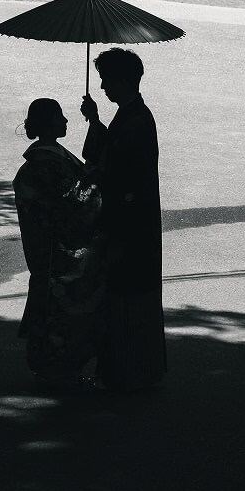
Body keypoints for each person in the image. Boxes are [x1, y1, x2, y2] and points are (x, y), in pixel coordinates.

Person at [80, 49, 166, 391]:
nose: (101, 86)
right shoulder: (133, 116)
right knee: (130, 300)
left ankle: (128, 373)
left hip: (129, 227)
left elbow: (121, 175)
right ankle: (130, 370)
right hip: (134, 225)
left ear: (120, 80)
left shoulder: (135, 121)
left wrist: (116, 236)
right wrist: (95, 120)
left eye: (105, 79)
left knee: (127, 300)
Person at [13, 98, 104, 388]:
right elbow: (75, 201)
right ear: (47, 123)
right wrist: (96, 174)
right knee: (62, 311)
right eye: (59, 117)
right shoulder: (46, 162)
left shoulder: (45, 158)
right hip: (57, 249)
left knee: (53, 309)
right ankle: (57, 370)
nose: (65, 121)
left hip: (47, 247)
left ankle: (53, 368)